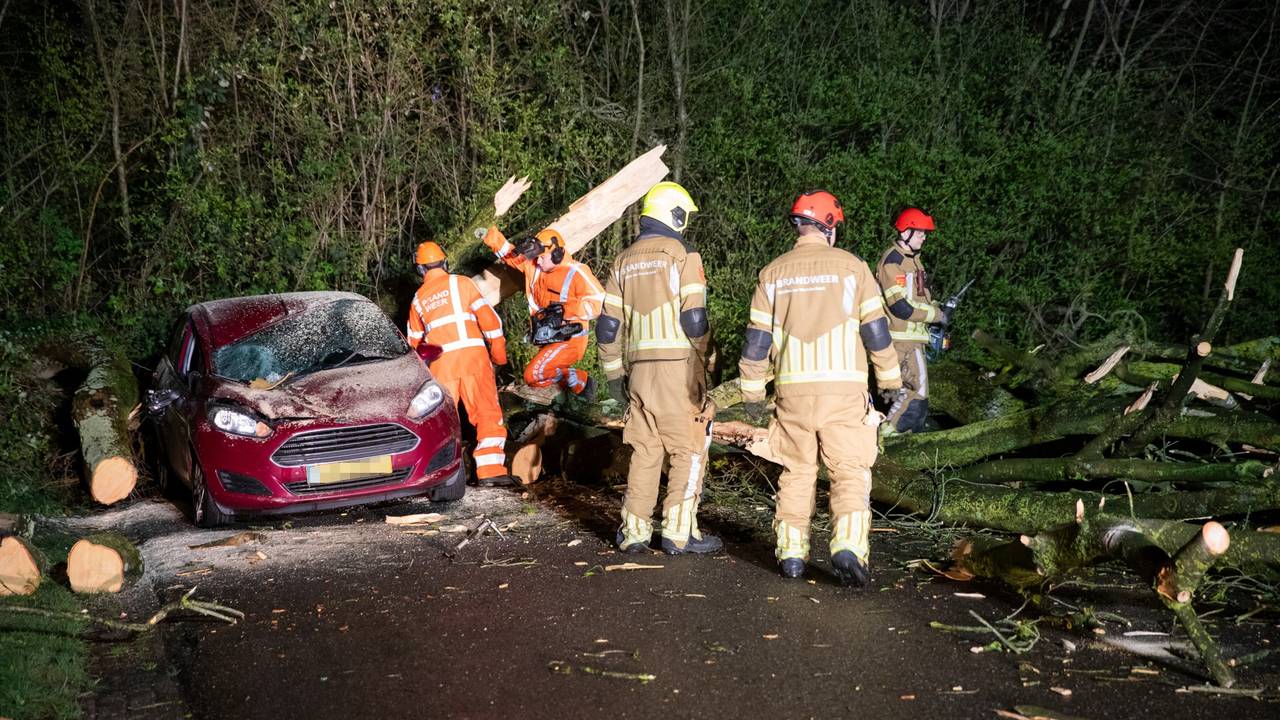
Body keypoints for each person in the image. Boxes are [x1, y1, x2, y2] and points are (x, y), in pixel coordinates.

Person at [738, 190, 901, 585]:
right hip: (843, 390)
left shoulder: (772, 273)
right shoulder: (852, 268)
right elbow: (876, 332)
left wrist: (753, 395)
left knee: (796, 471)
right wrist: (891, 380)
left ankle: (792, 554)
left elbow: (756, 342)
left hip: (792, 392)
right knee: (849, 471)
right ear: (828, 226)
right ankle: (846, 545)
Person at [597, 181, 722, 555]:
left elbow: (607, 326)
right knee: (688, 449)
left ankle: (634, 532)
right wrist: (707, 363)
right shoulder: (683, 254)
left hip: (639, 371)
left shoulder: (622, 261)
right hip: (677, 370)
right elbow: (695, 319)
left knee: (646, 451)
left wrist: (615, 375)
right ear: (677, 215)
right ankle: (678, 534)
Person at [406, 241, 514, 486]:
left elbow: (413, 345)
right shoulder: (462, 283)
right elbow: (491, 323)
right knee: (486, 413)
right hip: (473, 358)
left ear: (420, 270)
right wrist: (499, 357)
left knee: (444, 421)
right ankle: (490, 471)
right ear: (445, 263)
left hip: (441, 366)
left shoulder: (418, 300)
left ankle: (444, 477)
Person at [482, 225, 606, 402]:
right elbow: (511, 256)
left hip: (571, 337)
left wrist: (566, 311)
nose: (537, 261)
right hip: (548, 336)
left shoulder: (575, 271)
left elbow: (599, 302)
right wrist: (490, 236)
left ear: (556, 254)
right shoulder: (535, 267)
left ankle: (582, 383)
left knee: (533, 375)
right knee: (535, 377)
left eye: (541, 258)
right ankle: (572, 396)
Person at [876, 207, 945, 434]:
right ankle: (888, 437)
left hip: (913, 339)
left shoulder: (914, 261)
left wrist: (935, 309)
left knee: (906, 395)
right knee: (916, 394)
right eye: (920, 232)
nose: (924, 237)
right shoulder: (892, 262)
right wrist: (935, 315)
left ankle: (898, 440)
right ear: (905, 232)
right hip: (901, 340)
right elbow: (900, 307)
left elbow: (918, 298)